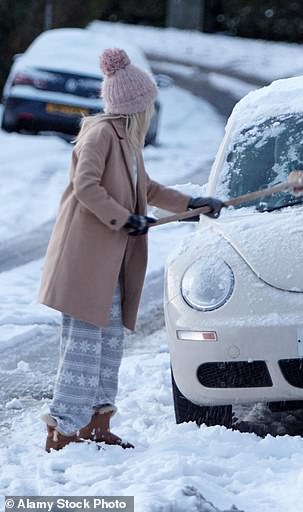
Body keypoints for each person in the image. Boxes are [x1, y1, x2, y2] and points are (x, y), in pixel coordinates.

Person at [38, 48, 224, 452]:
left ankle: (96, 424)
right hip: (87, 263)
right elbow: (87, 186)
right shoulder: (101, 133)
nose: (153, 109)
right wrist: (123, 218)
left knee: (108, 348)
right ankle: (63, 430)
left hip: (112, 264)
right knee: (83, 351)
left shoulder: (127, 140)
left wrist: (191, 205)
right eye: (149, 102)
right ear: (136, 104)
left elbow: (149, 189)